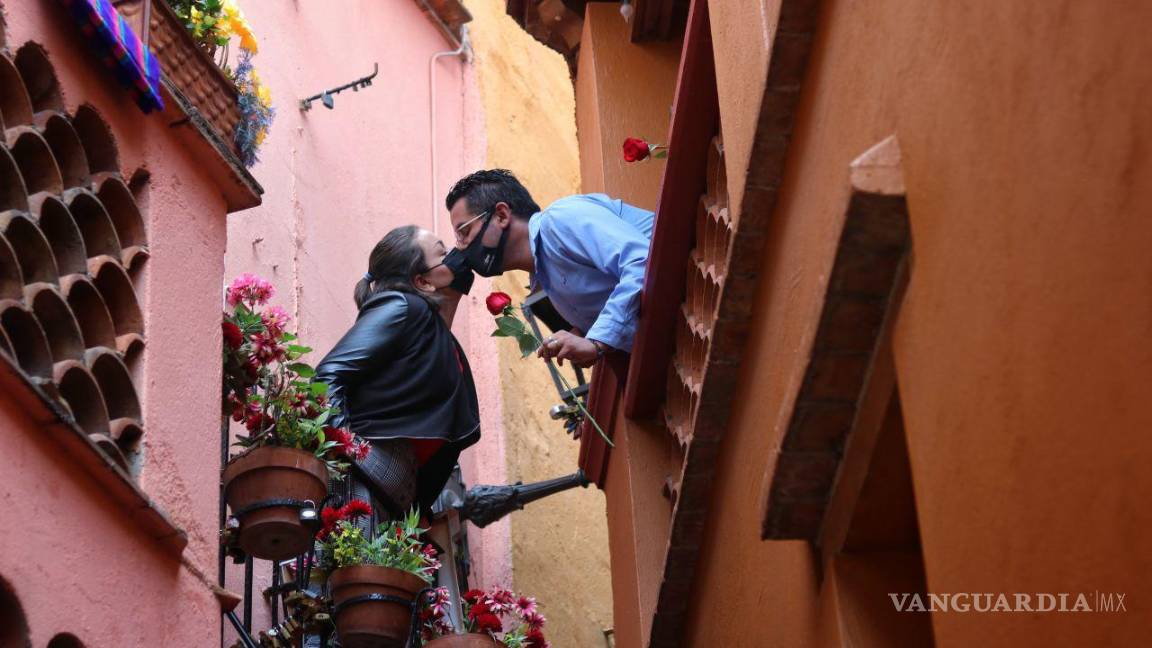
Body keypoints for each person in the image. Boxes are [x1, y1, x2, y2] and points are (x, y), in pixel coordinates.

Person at [315, 225, 478, 519]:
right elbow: (328, 374)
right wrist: (349, 450)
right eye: (443, 254)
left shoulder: (428, 325)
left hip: (394, 488)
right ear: (422, 280)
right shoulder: (401, 304)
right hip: (368, 474)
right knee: (358, 563)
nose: (454, 258)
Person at [445, 169, 653, 369]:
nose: (461, 246)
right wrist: (581, 335)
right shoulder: (543, 275)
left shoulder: (560, 219)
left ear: (501, 215)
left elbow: (641, 262)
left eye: (465, 231)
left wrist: (597, 342)